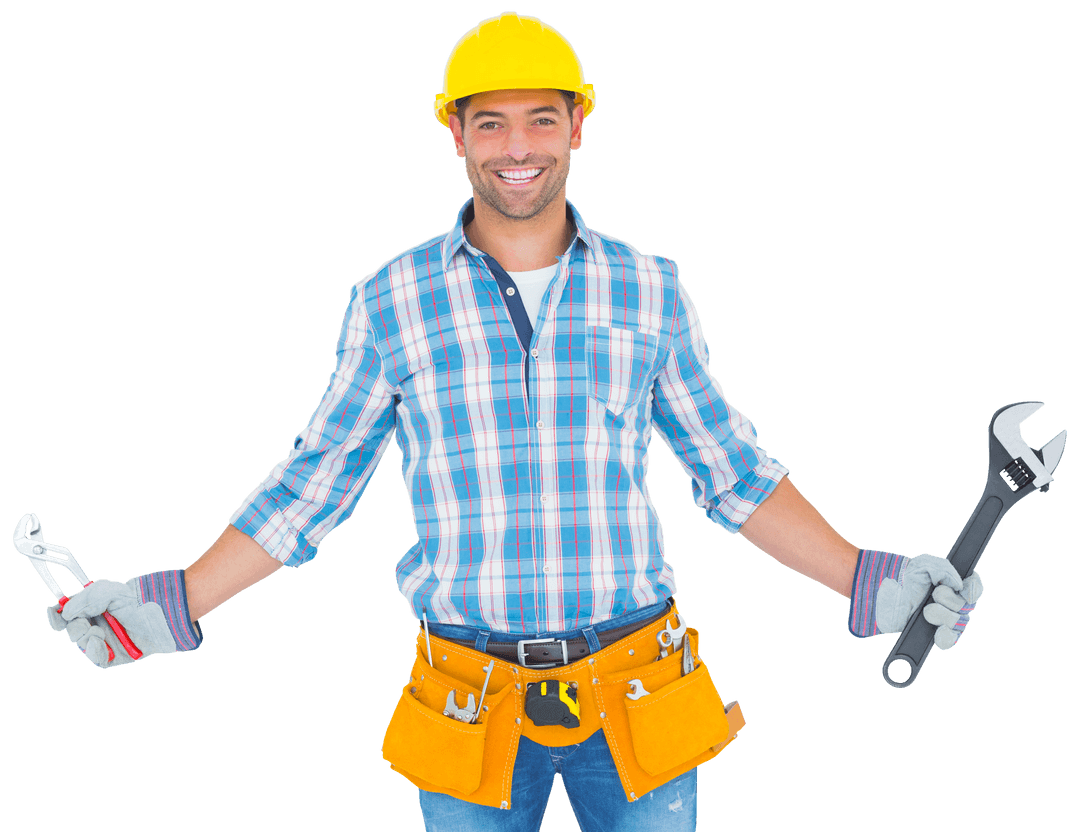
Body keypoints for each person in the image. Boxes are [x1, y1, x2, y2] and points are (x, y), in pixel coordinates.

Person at [44, 12, 984, 831]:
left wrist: (871, 582)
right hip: (466, 701)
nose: (517, 145)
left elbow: (731, 472)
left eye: (541, 117)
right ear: (455, 133)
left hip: (640, 687)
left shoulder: (649, 288)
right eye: (489, 122)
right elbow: (311, 490)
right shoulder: (391, 300)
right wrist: (168, 606)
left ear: (578, 125)